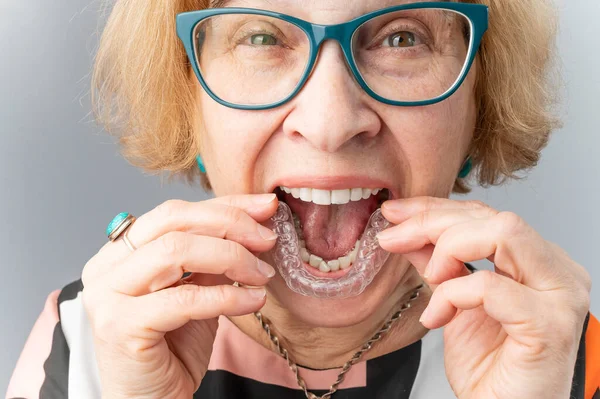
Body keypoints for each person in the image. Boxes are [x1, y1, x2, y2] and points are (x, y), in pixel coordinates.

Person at [6, 0, 600, 398]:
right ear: (188, 103)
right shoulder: (87, 335)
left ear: (480, 102)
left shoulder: (556, 349)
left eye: (401, 38)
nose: (330, 122)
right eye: (262, 36)